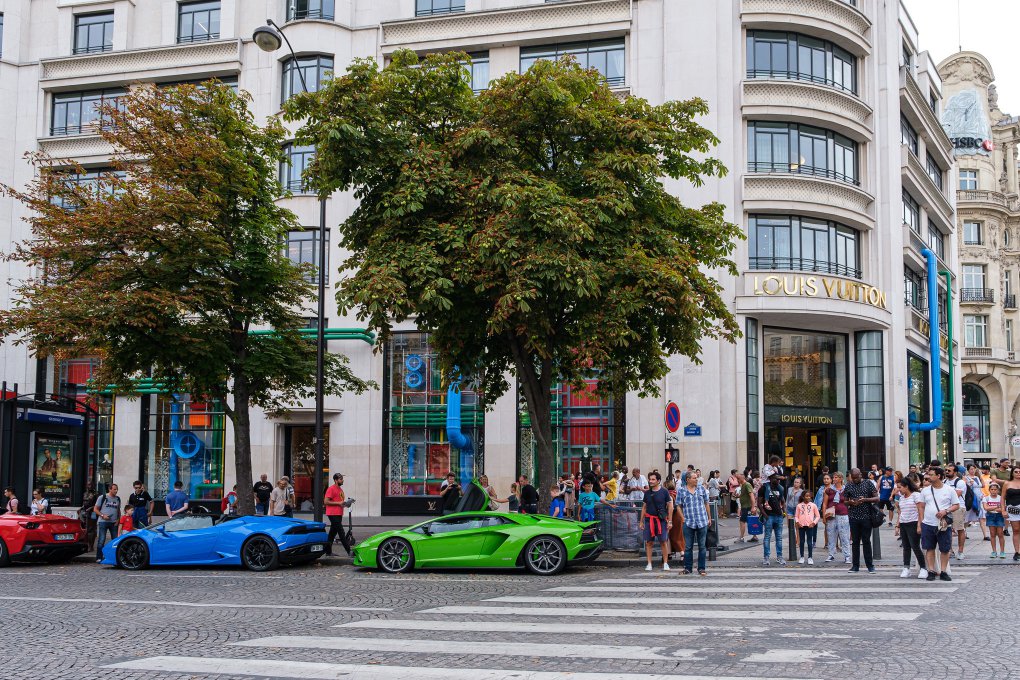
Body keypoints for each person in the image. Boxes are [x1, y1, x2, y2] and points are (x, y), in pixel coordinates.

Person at [916, 466, 959, 581]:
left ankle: (943, 571)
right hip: (928, 523)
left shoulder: (949, 490)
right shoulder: (925, 491)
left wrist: (946, 511)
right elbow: (921, 507)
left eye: (931, 475)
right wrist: (920, 522)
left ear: (938, 476)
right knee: (929, 548)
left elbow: (956, 505)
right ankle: (931, 570)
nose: (928, 477)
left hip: (943, 525)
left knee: (944, 549)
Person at [675, 469, 711, 575]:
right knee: (688, 547)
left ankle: (701, 568)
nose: (697, 479)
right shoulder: (681, 491)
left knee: (702, 546)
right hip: (688, 522)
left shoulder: (701, 489)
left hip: (702, 520)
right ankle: (688, 568)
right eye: (694, 478)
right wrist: (682, 518)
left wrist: (709, 518)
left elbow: (706, 503)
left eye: (697, 478)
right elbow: (678, 506)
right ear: (688, 479)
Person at [844, 467, 879, 574]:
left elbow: (877, 498)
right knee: (855, 542)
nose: (854, 480)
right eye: (853, 478)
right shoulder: (849, 485)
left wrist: (865, 500)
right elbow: (845, 501)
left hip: (866, 517)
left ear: (860, 475)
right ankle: (855, 566)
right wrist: (851, 502)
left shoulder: (868, 483)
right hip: (854, 517)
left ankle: (870, 565)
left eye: (856, 477)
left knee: (866, 541)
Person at [640, 471, 673, 571]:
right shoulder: (647, 493)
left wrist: (670, 521)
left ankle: (666, 563)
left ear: (658, 481)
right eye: (650, 479)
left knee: (663, 541)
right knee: (649, 542)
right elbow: (644, 507)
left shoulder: (664, 491)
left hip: (661, 520)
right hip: (649, 520)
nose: (651, 481)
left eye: (653, 479)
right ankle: (649, 563)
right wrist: (641, 521)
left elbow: (670, 506)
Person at [896, 476, 927, 579]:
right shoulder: (901, 498)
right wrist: (898, 525)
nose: (899, 490)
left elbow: (920, 511)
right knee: (906, 547)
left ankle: (923, 568)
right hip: (904, 523)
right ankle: (906, 567)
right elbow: (900, 512)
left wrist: (919, 524)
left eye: (900, 487)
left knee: (915, 546)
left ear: (906, 486)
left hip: (913, 523)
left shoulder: (916, 496)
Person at [822, 472, 851, 564]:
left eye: (836, 477)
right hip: (831, 515)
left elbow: (849, 502)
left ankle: (847, 556)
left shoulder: (846, 489)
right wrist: (823, 516)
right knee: (831, 534)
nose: (834, 479)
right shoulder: (829, 490)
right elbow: (825, 503)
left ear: (841, 479)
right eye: (833, 477)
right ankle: (831, 554)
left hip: (843, 514)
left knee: (844, 535)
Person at [758, 473, 786, 566]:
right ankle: (766, 557)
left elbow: (782, 500)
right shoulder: (764, 488)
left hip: (778, 515)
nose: (778, 480)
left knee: (779, 538)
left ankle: (779, 556)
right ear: (770, 478)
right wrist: (765, 515)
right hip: (769, 516)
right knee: (767, 537)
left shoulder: (780, 488)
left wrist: (784, 512)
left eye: (779, 479)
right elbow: (759, 503)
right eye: (776, 478)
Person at [323, 473, 352, 556]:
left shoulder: (340, 489)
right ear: (336, 480)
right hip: (332, 513)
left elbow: (340, 503)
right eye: (340, 479)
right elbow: (326, 501)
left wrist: (347, 504)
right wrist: (339, 503)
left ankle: (328, 552)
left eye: (342, 479)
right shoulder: (331, 489)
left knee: (332, 533)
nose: (342, 480)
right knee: (341, 532)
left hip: (338, 513)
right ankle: (349, 551)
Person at [944, 465, 968, 559]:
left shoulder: (960, 482)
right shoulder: (944, 482)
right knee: (947, 529)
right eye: (945, 470)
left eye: (949, 470)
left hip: (959, 507)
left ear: (955, 472)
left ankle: (960, 551)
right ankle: (949, 550)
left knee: (960, 528)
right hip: (947, 507)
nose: (946, 472)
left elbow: (956, 495)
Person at [93, 483, 121, 562]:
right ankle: (99, 557)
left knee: (115, 540)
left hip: (114, 522)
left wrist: (118, 520)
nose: (116, 491)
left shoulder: (118, 499)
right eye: (114, 489)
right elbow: (95, 509)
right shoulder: (102, 497)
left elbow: (118, 510)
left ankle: (114, 557)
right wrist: (102, 515)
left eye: (117, 489)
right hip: (103, 522)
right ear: (110, 489)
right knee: (101, 540)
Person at [795, 490, 820, 565]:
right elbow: (796, 516)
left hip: (810, 526)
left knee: (810, 542)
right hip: (801, 526)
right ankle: (802, 557)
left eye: (809, 496)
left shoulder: (813, 505)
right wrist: (797, 522)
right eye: (806, 496)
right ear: (803, 497)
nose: (808, 497)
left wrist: (813, 523)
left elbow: (818, 516)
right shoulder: (799, 506)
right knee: (801, 542)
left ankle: (810, 557)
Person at [983, 482, 1006, 559]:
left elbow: (1002, 509)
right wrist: (997, 506)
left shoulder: (1001, 498)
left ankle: (1002, 551)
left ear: (998, 490)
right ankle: (994, 551)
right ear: (989, 490)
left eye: (995, 489)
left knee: (1000, 534)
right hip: (990, 516)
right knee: (992, 534)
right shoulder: (986, 498)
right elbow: (986, 508)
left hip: (999, 516)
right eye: (992, 489)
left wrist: (992, 508)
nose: (993, 491)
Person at [1002, 466, 1020, 560]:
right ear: (1012, 473)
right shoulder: (1007, 483)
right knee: (1016, 530)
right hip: (1012, 509)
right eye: (1016, 472)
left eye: (1019, 472)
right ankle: (1017, 551)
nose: (1018, 473)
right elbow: (1002, 498)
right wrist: (1003, 510)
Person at [736, 473, 756, 543]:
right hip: (745, 506)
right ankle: (754, 536)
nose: (737, 480)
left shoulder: (747, 484)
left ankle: (741, 538)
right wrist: (739, 496)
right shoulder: (743, 485)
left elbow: (751, 495)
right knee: (750, 521)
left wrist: (753, 507)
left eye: (738, 478)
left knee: (742, 521)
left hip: (747, 507)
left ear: (742, 478)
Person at [814, 473, 832, 550]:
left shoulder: (833, 488)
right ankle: (826, 543)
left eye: (827, 479)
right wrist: (815, 509)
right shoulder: (821, 489)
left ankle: (836, 544)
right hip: (822, 508)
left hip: (831, 508)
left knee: (834, 527)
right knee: (826, 526)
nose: (826, 480)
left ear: (831, 480)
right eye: (824, 479)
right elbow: (816, 499)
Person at [785, 476, 804, 550]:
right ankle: (792, 541)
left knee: (797, 527)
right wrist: (785, 508)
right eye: (795, 482)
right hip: (790, 508)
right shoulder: (790, 489)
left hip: (797, 509)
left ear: (800, 484)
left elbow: (802, 502)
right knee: (790, 526)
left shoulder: (801, 491)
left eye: (797, 482)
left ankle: (797, 541)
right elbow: (787, 499)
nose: (795, 484)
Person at [80, 481, 99, 550]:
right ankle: (86, 545)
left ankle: (91, 546)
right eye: (88, 484)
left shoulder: (96, 494)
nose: (89, 486)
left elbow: (98, 505)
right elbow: (84, 503)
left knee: (91, 529)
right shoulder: (85, 493)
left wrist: (91, 508)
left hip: (92, 512)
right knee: (86, 529)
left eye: (90, 484)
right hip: (85, 512)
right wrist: (81, 508)